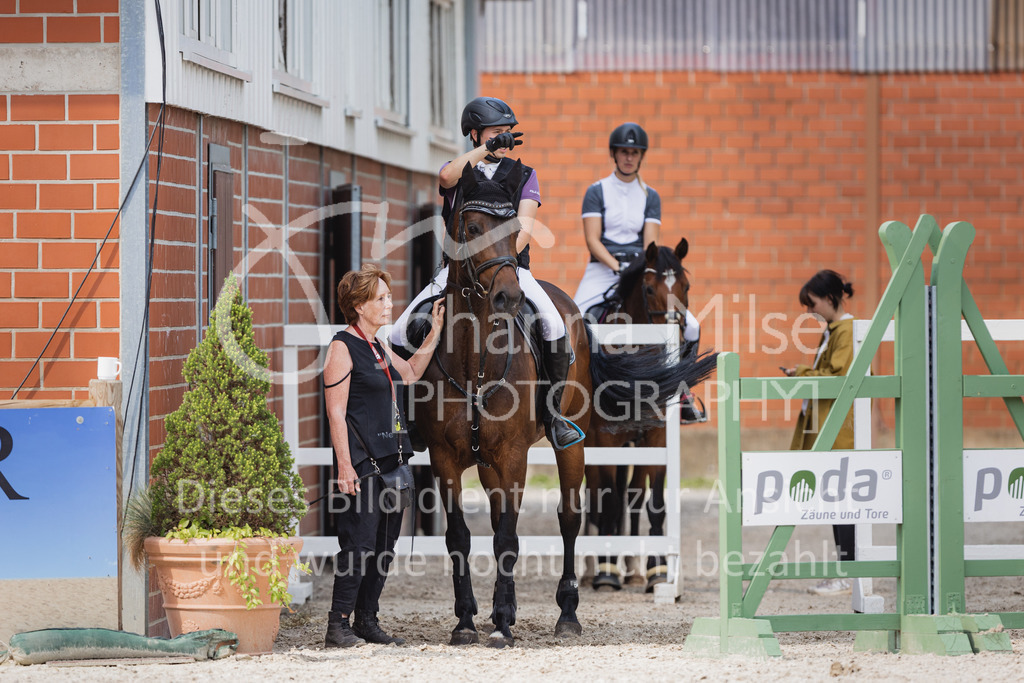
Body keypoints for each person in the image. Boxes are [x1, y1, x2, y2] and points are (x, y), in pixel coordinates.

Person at [389, 96, 583, 450]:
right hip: (455, 274)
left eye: (509, 134)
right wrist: (487, 149)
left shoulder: (525, 175)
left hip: (509, 268)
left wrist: (499, 260)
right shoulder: (459, 171)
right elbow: (445, 176)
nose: (505, 140)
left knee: (555, 325)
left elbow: (523, 229)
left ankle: (553, 417)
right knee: (399, 334)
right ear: (476, 135)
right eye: (497, 134)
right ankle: (406, 421)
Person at [322, 263, 444, 647]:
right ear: (359, 305)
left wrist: (434, 335)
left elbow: (409, 374)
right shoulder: (343, 347)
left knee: (384, 548)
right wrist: (344, 465)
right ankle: (337, 625)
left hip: (392, 461)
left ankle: (366, 620)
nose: (389, 304)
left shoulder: (377, 345)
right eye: (381, 298)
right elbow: (335, 412)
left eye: (389, 297)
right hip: (362, 463)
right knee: (358, 547)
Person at [572, 122, 700, 343]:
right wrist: (617, 267)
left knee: (693, 328)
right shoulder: (596, 191)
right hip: (601, 271)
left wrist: (636, 271)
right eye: (624, 152)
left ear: (641, 156)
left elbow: (650, 246)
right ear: (614, 153)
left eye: (634, 153)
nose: (629, 158)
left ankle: (682, 377)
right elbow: (593, 240)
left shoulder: (651, 196)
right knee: (573, 324)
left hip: (640, 271)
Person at [781, 269, 856, 596]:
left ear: (830, 298)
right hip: (829, 425)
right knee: (837, 506)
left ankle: (850, 573)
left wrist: (802, 372)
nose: (809, 311)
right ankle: (845, 571)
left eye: (812, 304)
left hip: (838, 430)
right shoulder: (835, 329)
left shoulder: (846, 331)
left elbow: (836, 375)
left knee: (844, 506)